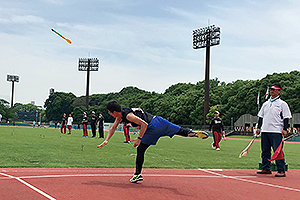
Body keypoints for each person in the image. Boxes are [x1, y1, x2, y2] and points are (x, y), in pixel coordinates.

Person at [97, 100, 207, 183]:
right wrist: (106, 140)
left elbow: (144, 124)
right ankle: (194, 134)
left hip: (152, 127)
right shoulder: (122, 114)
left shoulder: (129, 116)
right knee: (180, 131)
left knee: (140, 149)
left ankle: (137, 174)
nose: (109, 114)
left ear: (114, 112)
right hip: (159, 120)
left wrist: (139, 139)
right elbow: (113, 128)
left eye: (109, 112)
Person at [256, 84, 292, 177]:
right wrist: (259, 128)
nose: (272, 91)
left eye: (274, 90)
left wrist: (285, 129)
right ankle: (266, 168)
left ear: (279, 91)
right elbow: (261, 117)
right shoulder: (265, 104)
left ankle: (281, 170)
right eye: (271, 89)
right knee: (265, 151)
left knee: (278, 151)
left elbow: (286, 118)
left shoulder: (282, 104)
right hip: (265, 130)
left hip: (276, 130)